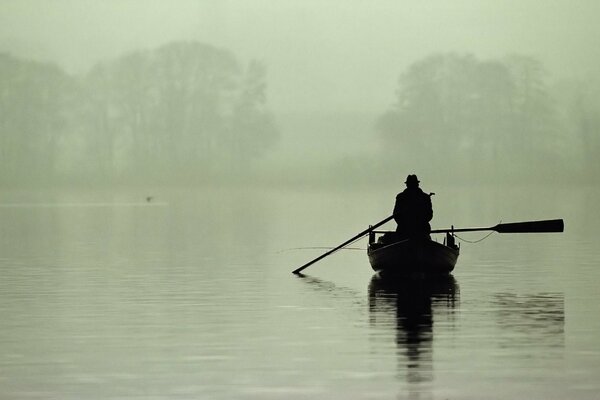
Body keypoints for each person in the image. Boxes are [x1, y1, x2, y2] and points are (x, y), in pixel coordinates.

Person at [393, 174, 433, 240]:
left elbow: (429, 215)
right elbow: (396, 215)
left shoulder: (425, 198)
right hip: (405, 231)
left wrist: (417, 223)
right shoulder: (401, 197)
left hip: (421, 231)